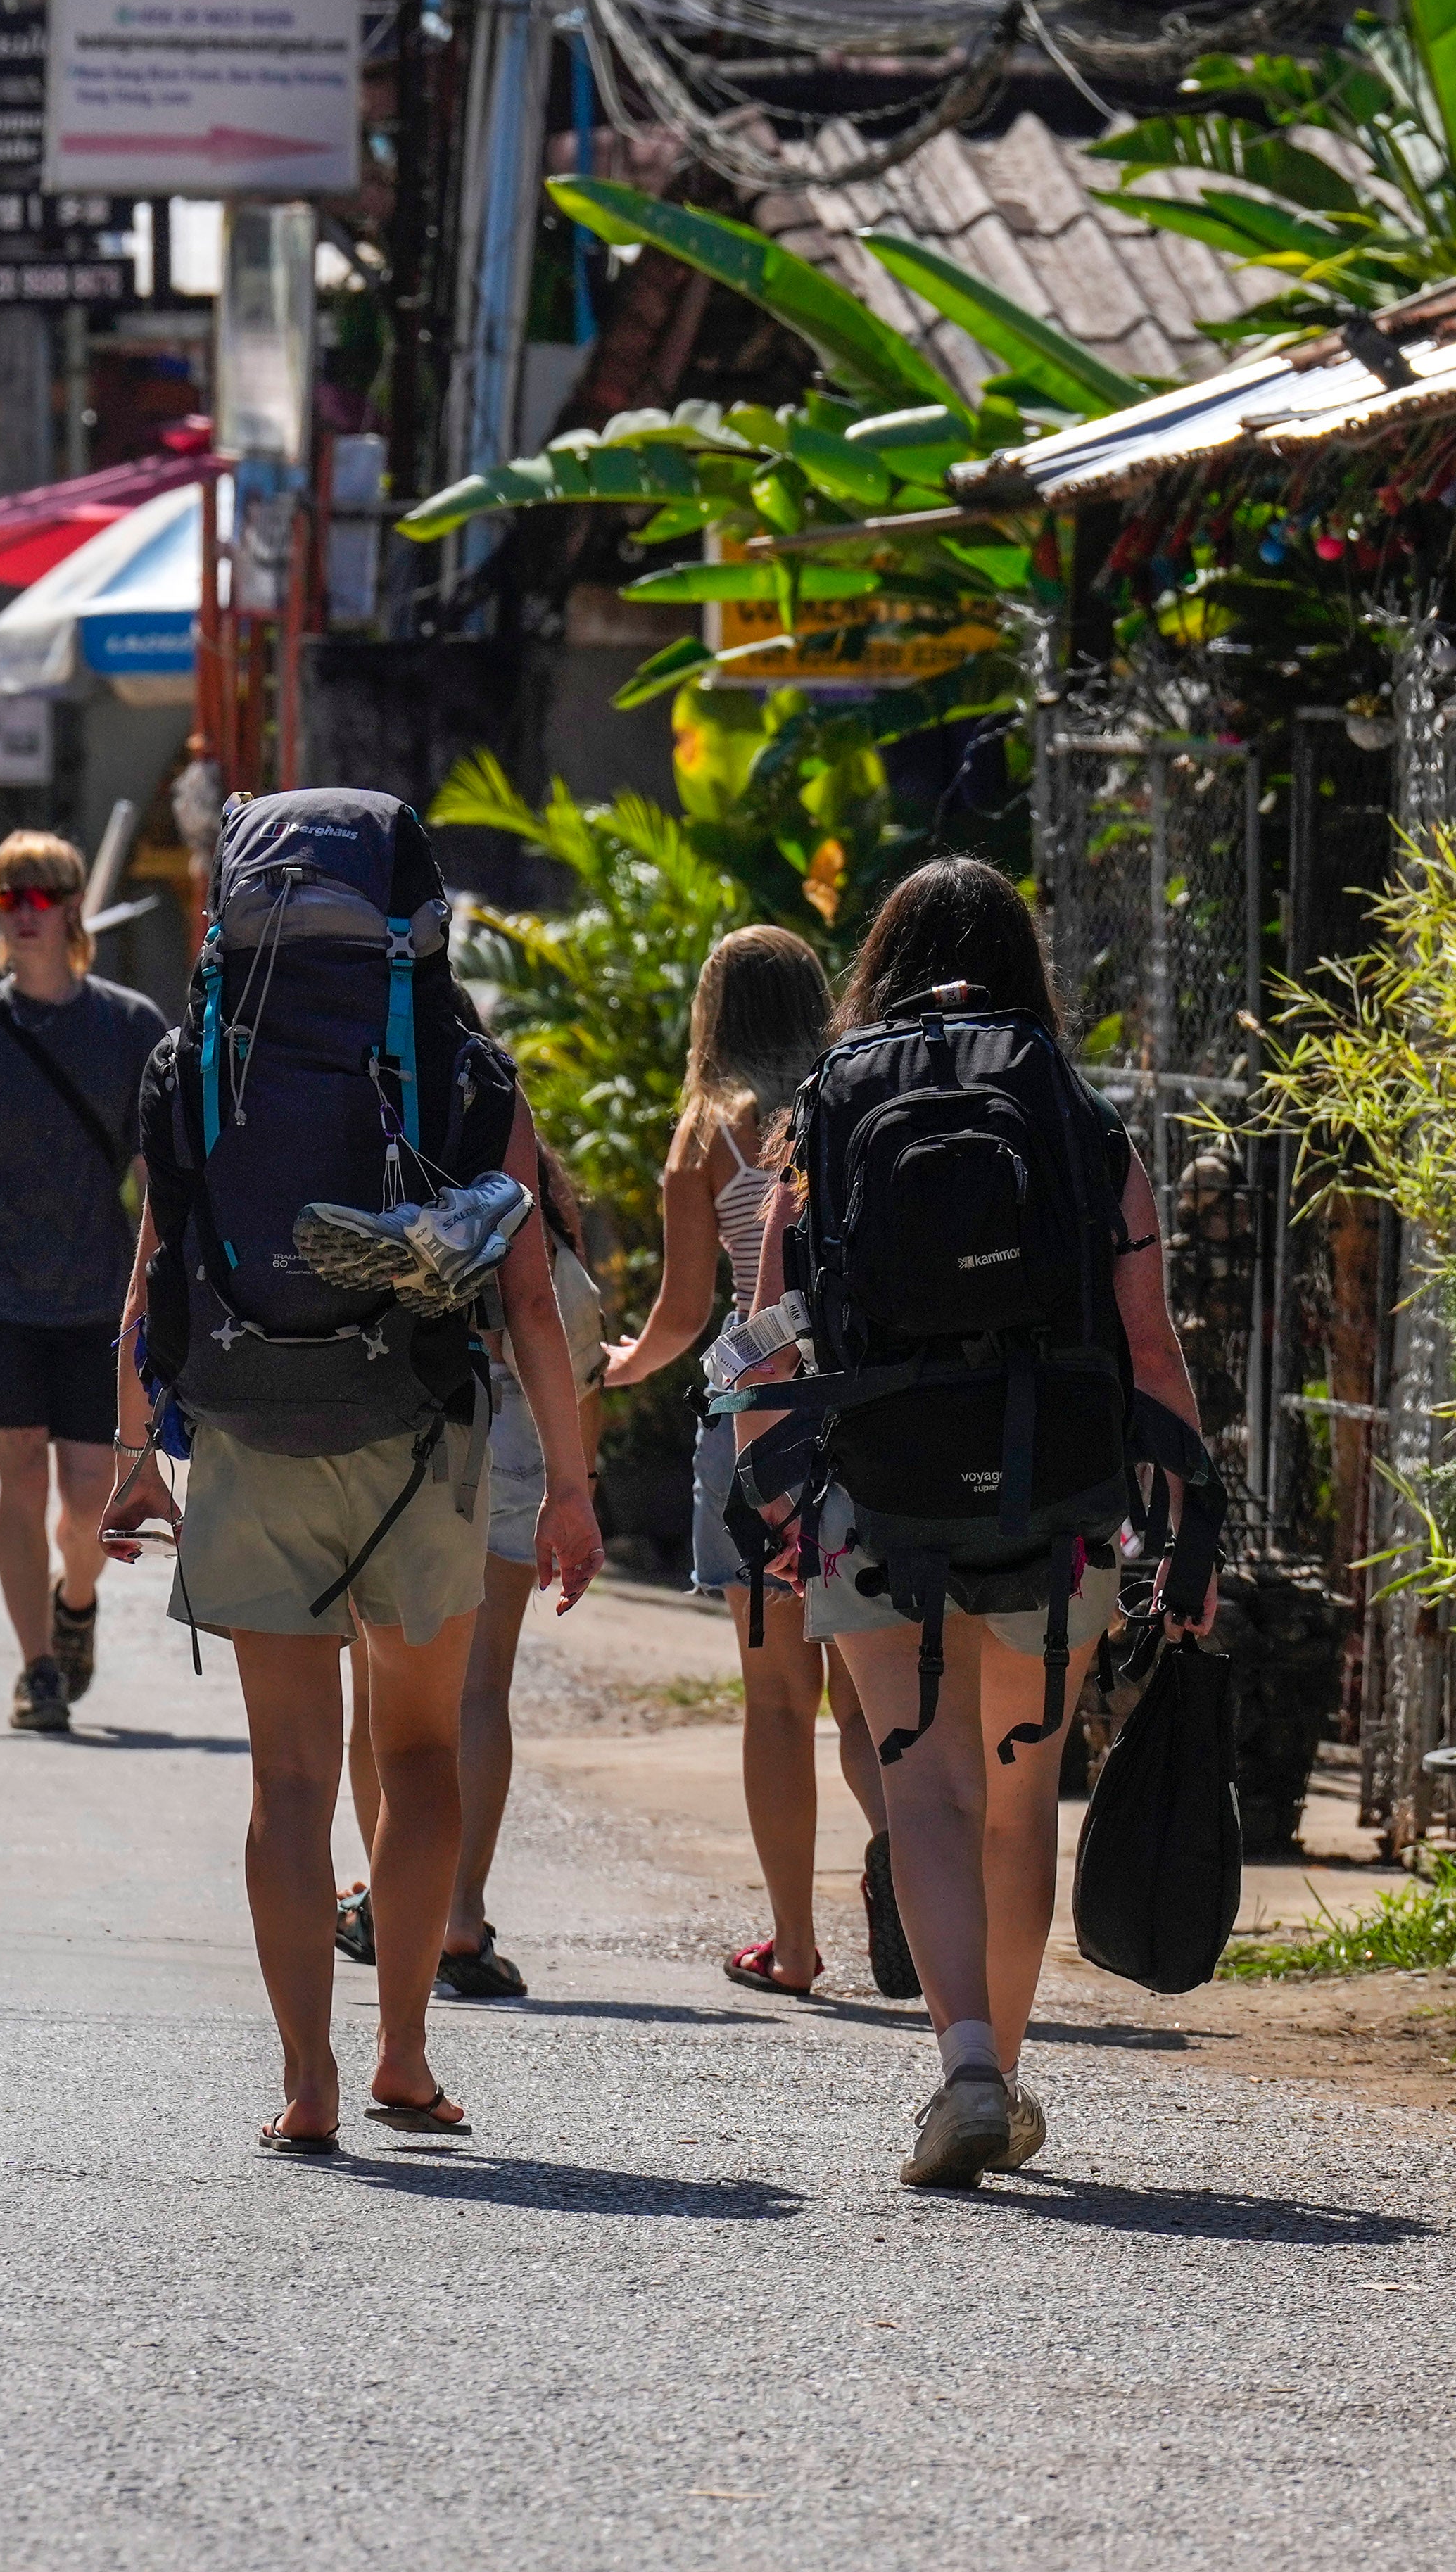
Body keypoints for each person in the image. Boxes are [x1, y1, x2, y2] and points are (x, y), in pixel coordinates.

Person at [99, 793, 604, 2152]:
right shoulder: (469, 1068)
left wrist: (139, 1454)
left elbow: (152, 1277)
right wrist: (568, 1483)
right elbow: (533, 1304)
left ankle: (304, 2082)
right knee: (422, 1748)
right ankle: (404, 2053)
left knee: (286, 1782)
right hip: (420, 1436)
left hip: (254, 1432)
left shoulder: (190, 1060)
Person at [730, 857, 1209, 2188]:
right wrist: (1182, 1518)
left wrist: (770, 1497)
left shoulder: (823, 1119)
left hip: (878, 1493)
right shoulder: (1076, 1117)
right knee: (1016, 1792)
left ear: (877, 963)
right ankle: (1008, 2063)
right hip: (1055, 1495)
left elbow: (770, 1343)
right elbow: (1149, 1344)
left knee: (923, 1785)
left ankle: (967, 2070)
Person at [597, 923, 904, 2001]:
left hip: (757, 1423)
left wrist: (612, 1370)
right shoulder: (849, 1098)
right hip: (866, 1424)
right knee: (872, 1696)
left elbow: (688, 1316)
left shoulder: (711, 1133)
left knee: (779, 1704)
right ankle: (920, 1868)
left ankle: (794, 1945)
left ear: (713, 1015)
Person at [0, 830, 168, 1736]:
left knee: (90, 1497)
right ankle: (38, 1670)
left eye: (39, 897)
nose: (22, 915)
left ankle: (77, 1599)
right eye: (6, 900)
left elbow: (159, 1175)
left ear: (70, 913)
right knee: (18, 1474)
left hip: (99, 1297)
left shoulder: (132, 1028)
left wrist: (171, 1285)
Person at [338, 1132, 602, 1998]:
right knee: (480, 1690)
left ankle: (389, 1892)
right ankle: (459, 1915)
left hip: (417, 1441)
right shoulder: (533, 1213)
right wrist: (578, 1487)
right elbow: (575, 1354)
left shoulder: (380, 1166)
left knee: (385, 1690)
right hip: (526, 1456)